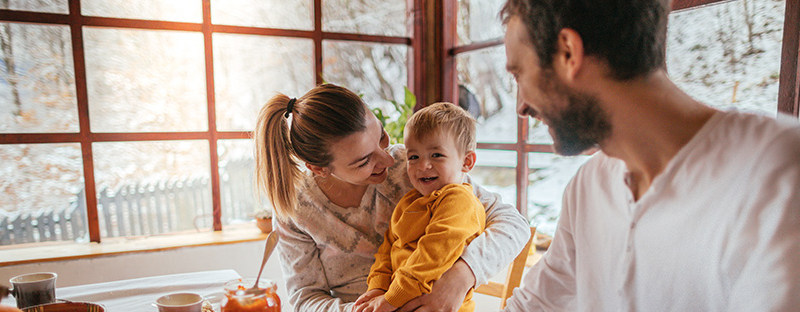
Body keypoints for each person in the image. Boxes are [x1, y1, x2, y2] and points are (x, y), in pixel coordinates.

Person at [499, 0, 800, 311]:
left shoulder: (778, 176)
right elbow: (535, 304)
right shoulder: (587, 187)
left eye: (519, 74)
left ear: (568, 53)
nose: (521, 106)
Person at [253, 84, 529, 312]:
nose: (387, 158)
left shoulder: (416, 167)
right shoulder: (296, 209)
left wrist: (463, 275)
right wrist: (366, 309)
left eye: (382, 137)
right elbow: (306, 299)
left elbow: (513, 224)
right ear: (319, 169)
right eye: (363, 161)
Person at [353, 102, 486, 312]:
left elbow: (433, 254)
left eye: (436, 155)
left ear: (466, 162)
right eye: (413, 157)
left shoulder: (459, 201)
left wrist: (392, 298)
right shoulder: (409, 201)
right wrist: (378, 287)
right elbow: (387, 250)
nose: (423, 166)